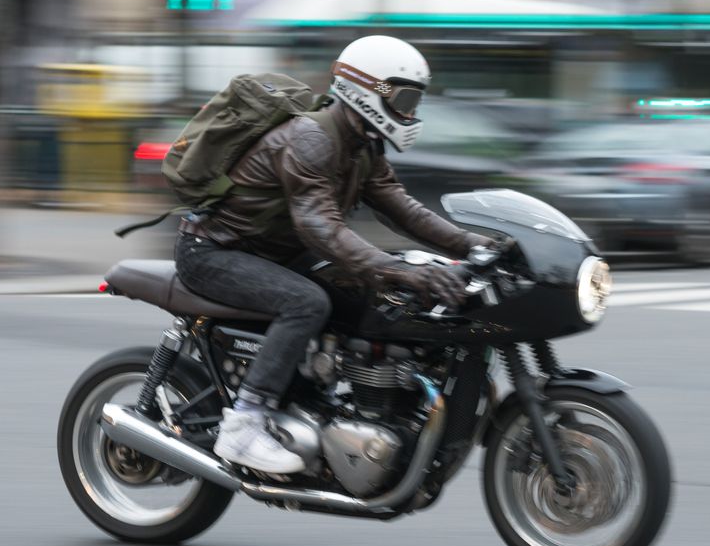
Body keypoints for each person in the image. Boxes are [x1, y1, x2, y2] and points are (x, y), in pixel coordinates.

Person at [176, 35, 496, 474]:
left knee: (383, 300)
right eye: (404, 99)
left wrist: (478, 245)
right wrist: (399, 269)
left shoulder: (362, 145)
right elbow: (320, 227)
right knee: (306, 301)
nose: (410, 112)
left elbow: (404, 210)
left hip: (276, 253)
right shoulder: (312, 138)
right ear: (368, 89)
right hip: (215, 250)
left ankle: (332, 404)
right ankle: (245, 423)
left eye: (415, 101)